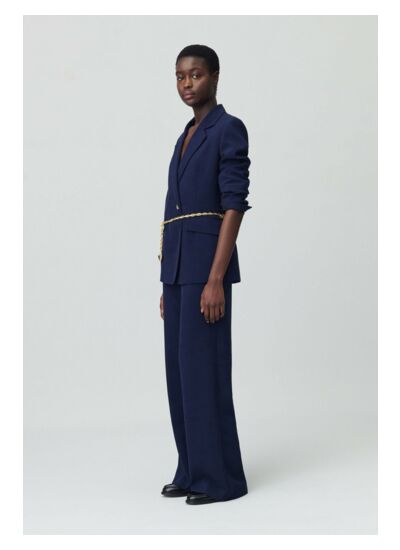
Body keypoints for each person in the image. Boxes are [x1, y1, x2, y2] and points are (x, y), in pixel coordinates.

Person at [159, 44, 252, 505]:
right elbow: (175, 210)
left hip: (206, 269)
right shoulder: (185, 136)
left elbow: (233, 204)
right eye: (180, 76)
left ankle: (220, 480)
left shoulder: (227, 128)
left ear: (215, 76)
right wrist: (168, 281)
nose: (187, 83)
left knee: (204, 372)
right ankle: (192, 469)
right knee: (179, 375)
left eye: (195, 75)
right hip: (178, 271)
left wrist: (216, 279)